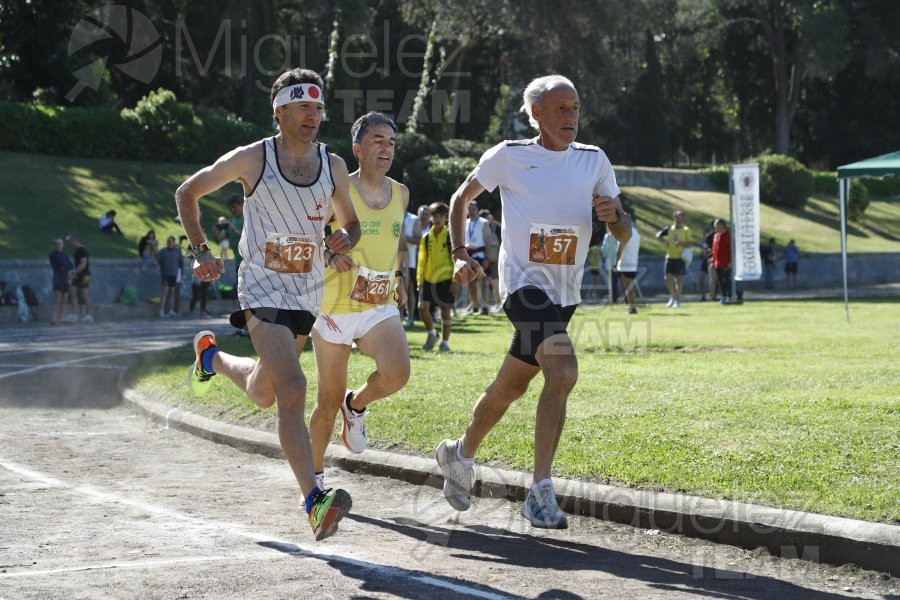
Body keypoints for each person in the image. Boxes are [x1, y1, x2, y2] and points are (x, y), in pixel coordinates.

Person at [438, 75, 631, 529]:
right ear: (536, 114)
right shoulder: (509, 156)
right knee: (563, 371)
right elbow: (460, 198)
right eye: (560, 109)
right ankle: (540, 491)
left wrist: (615, 217)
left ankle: (459, 454)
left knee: (511, 387)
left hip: (565, 293)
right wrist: (460, 252)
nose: (571, 117)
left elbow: (625, 232)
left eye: (576, 108)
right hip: (522, 287)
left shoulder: (594, 161)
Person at [176, 68, 360, 541]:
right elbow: (188, 192)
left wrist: (342, 241)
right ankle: (314, 501)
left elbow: (351, 225)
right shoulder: (253, 158)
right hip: (260, 287)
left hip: (305, 292)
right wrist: (200, 251)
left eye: (319, 108)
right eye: (303, 107)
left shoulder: (333, 164)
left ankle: (210, 357)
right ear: (279, 111)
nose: (313, 116)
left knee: (264, 392)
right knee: (294, 387)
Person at [308, 111, 410, 490]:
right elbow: (305, 240)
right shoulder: (335, 191)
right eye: (377, 140)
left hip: (378, 304)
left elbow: (397, 242)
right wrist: (330, 255)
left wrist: (398, 277)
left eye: (391, 142)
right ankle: (314, 481)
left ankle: (357, 404)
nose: (386, 148)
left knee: (397, 373)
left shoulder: (401, 192)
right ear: (357, 149)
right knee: (326, 399)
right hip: (334, 307)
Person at [418, 201, 455, 351]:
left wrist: (456, 281)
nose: (438, 219)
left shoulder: (451, 236)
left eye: (441, 216)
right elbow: (421, 261)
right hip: (428, 279)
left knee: (445, 312)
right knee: (422, 307)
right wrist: (419, 282)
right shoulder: (426, 238)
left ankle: (445, 343)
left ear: (446, 217)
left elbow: (456, 260)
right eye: (435, 216)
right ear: (431, 217)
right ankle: (432, 333)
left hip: (446, 280)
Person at [656, 210, 692, 308]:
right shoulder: (669, 228)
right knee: (667, 278)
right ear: (674, 218)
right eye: (676, 217)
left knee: (679, 279)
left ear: (683, 218)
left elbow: (690, 243)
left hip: (680, 257)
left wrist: (681, 243)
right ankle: (673, 296)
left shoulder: (686, 230)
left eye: (680, 217)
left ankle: (677, 299)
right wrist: (664, 241)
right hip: (669, 256)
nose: (678, 220)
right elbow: (658, 235)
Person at [463, 202, 493, 314]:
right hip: (468, 255)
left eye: (473, 209)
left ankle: (485, 306)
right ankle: (474, 305)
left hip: (480, 254)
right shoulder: (465, 222)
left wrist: (487, 257)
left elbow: (488, 240)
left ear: (477, 209)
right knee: (471, 281)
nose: (471, 211)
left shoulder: (483, 222)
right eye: (469, 209)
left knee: (483, 281)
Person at [402, 204, 428, 327]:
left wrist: (403, 238)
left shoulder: (413, 219)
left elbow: (419, 240)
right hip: (391, 260)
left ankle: (410, 318)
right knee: (394, 288)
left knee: (409, 289)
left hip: (409, 260)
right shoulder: (390, 214)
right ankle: (398, 318)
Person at [66, 234, 93, 323]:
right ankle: (74, 315)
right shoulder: (77, 250)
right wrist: (75, 273)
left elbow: (83, 264)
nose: (69, 244)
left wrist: (74, 272)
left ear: (75, 241)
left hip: (85, 275)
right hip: (77, 275)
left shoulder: (82, 250)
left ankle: (89, 315)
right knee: (73, 292)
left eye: (69, 242)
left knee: (84, 294)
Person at [617, 217, 641, 314]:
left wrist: (616, 263)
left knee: (628, 287)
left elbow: (619, 250)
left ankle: (632, 308)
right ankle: (632, 307)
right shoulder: (636, 233)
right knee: (630, 287)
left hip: (625, 264)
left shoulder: (624, 233)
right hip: (633, 263)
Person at [479, 208, 502, 311]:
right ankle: (484, 305)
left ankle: (498, 304)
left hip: (494, 259)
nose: (490, 217)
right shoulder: (482, 228)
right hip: (484, 259)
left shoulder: (496, 227)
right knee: (482, 284)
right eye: (488, 216)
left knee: (495, 283)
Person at [48, 238, 74, 325]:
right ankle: (53, 318)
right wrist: (65, 266)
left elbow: (70, 265)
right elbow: (60, 264)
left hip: (65, 278)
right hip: (57, 278)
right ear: (54, 245)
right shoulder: (53, 255)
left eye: (60, 244)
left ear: (62, 245)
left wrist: (65, 267)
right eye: (57, 244)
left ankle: (63, 317)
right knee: (57, 298)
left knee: (65, 299)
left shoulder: (64, 255)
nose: (59, 245)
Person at [156, 235, 183, 317]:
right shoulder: (163, 251)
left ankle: (171, 310)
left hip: (174, 274)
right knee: (165, 292)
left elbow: (180, 262)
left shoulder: (177, 251)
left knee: (172, 293)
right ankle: (161, 310)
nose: (169, 243)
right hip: (165, 274)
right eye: (168, 241)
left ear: (174, 242)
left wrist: (181, 273)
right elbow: (157, 260)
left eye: (171, 241)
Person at [712, 219, 732, 303]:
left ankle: (729, 296)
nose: (715, 228)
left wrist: (730, 261)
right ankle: (723, 296)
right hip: (718, 262)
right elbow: (714, 249)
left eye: (717, 226)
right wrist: (713, 261)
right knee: (720, 280)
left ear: (722, 226)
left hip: (726, 262)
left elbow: (731, 250)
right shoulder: (716, 235)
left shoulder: (729, 235)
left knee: (726, 279)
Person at [600, 226, 620, 304]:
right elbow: (604, 250)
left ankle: (614, 298)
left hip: (613, 263)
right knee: (614, 282)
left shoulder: (608, 236)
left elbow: (603, 250)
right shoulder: (611, 236)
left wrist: (604, 253)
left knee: (613, 282)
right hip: (614, 263)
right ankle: (614, 298)